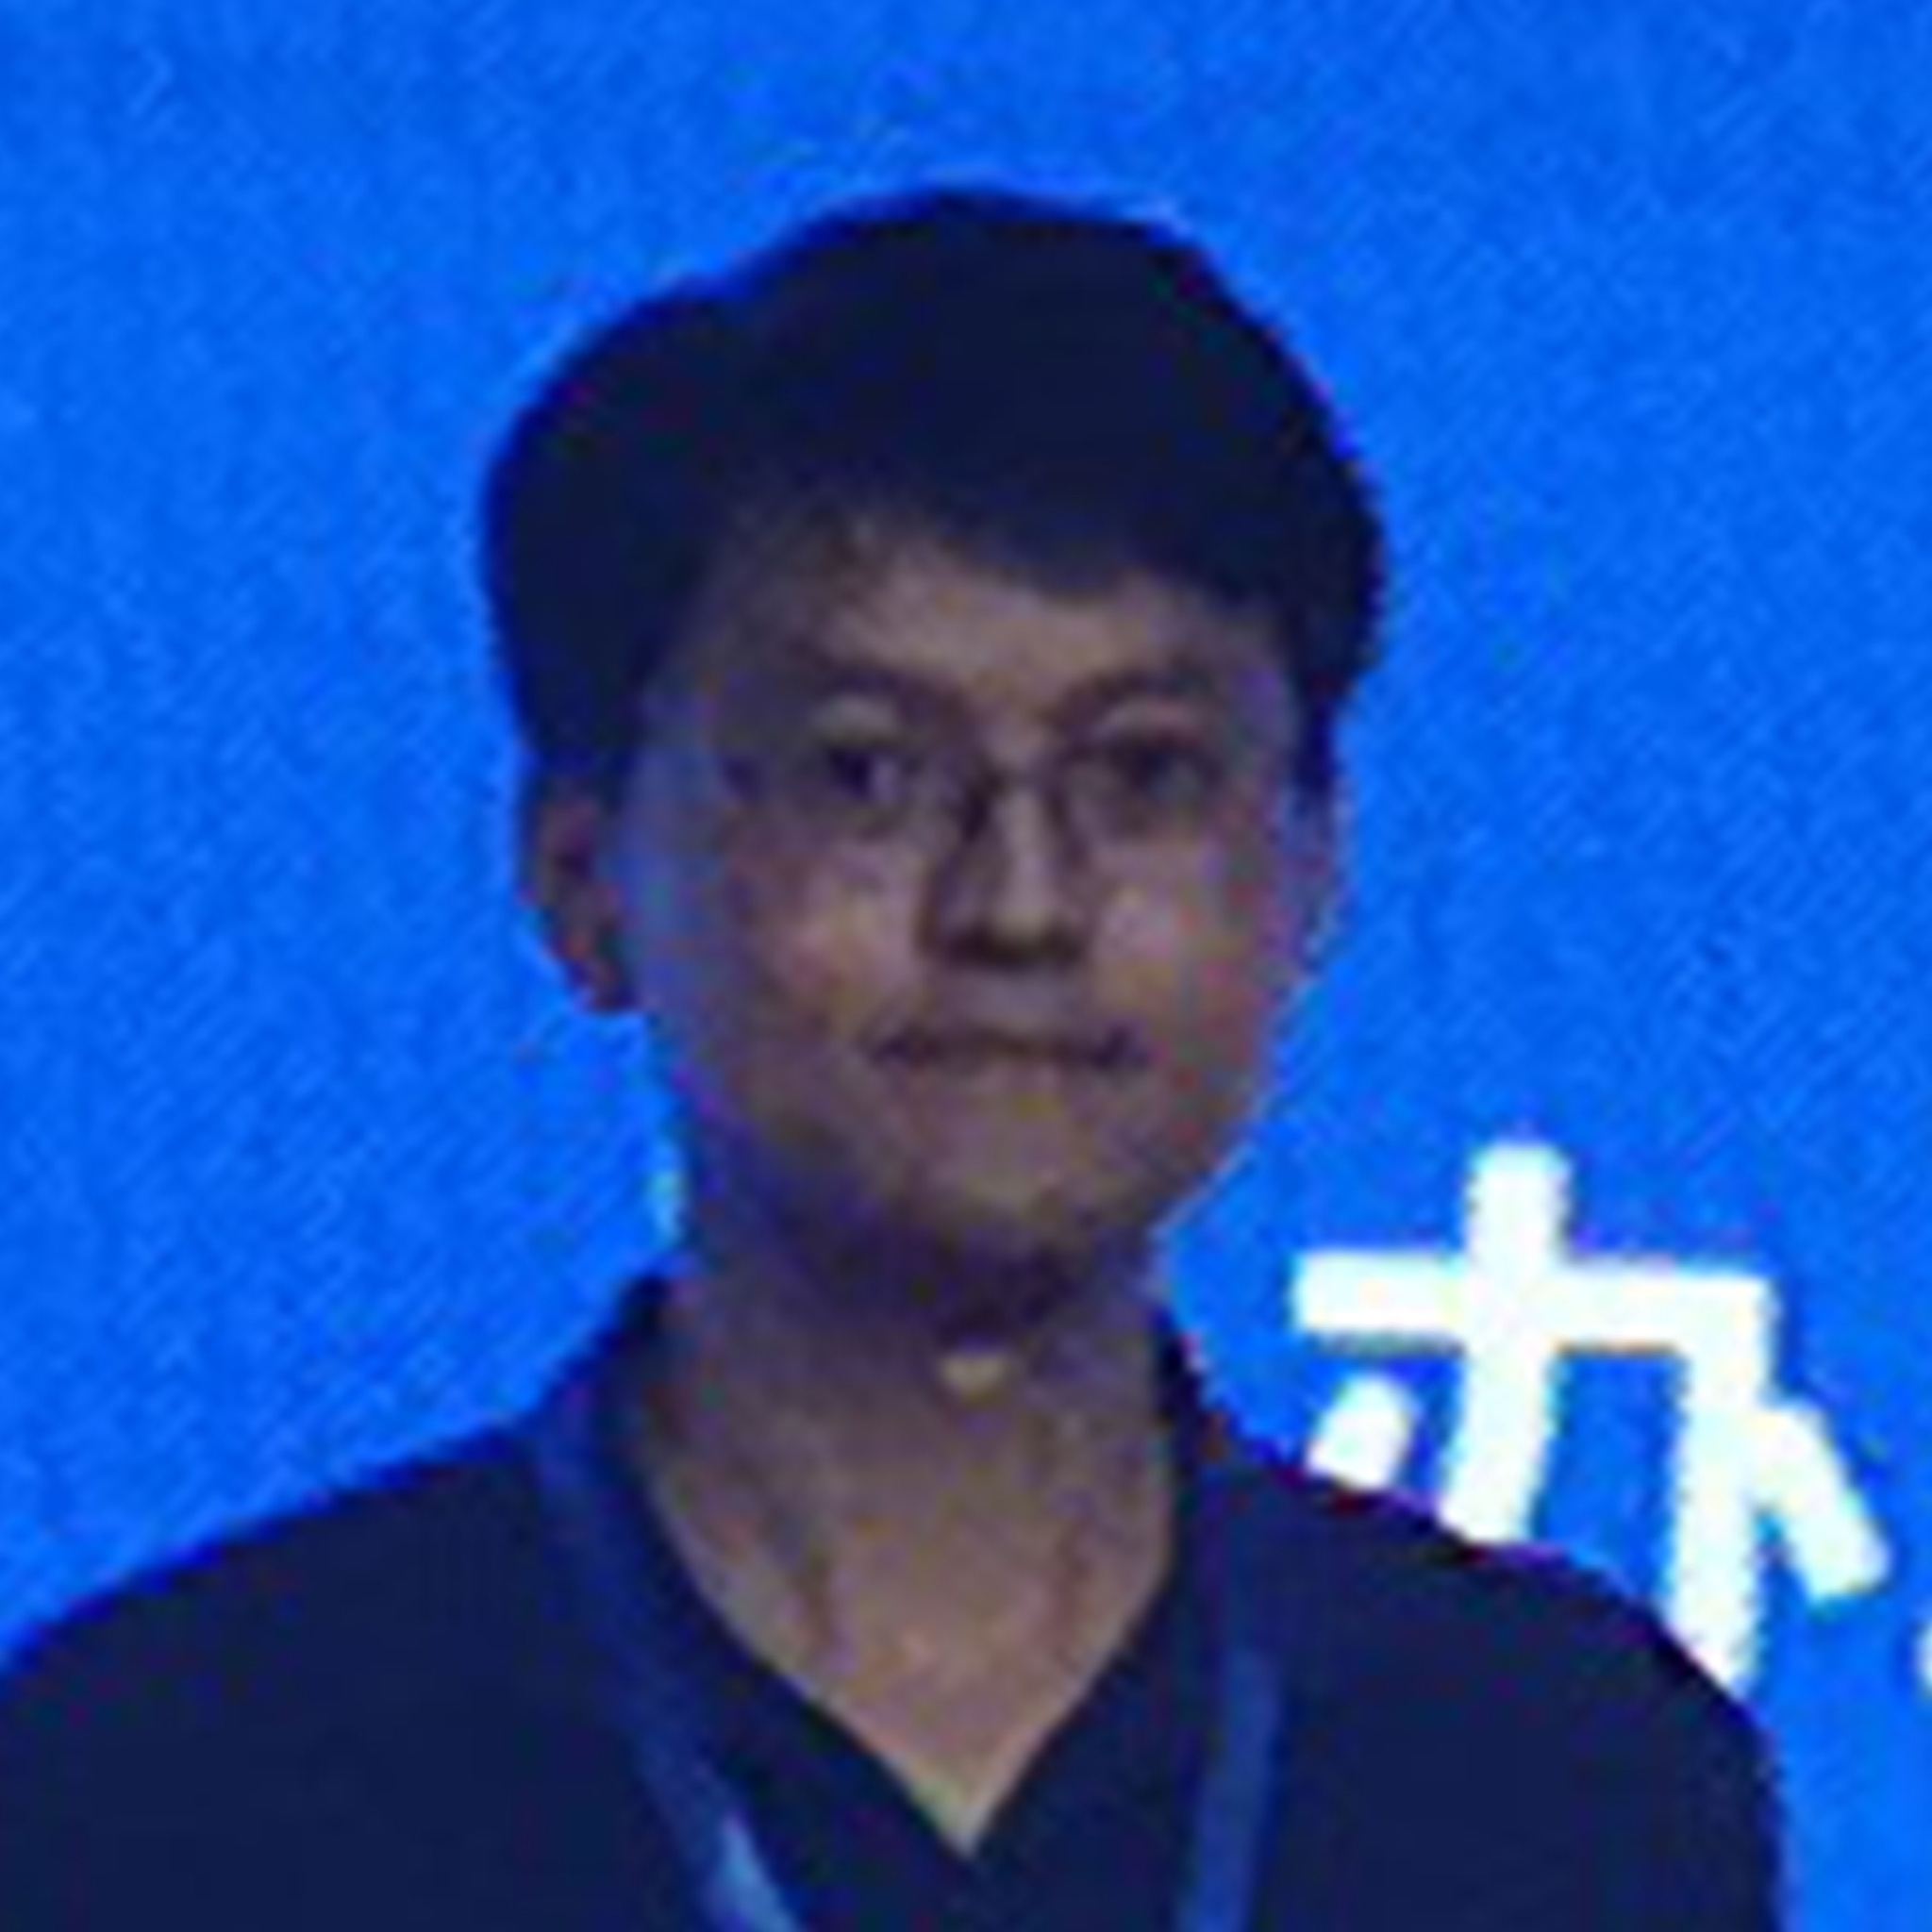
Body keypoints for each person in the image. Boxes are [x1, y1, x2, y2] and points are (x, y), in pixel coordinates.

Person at [0, 186, 1782, 1929]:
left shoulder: (1567, 1780)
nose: (1021, 900)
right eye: (870, 773)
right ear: (583, 877)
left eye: (1145, 774)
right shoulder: (181, 1781)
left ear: (1311, 869)